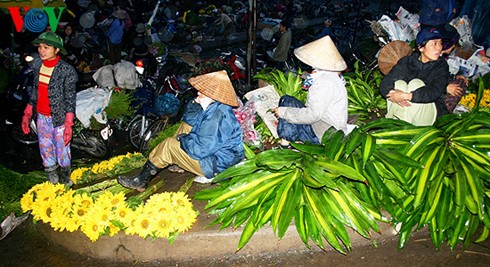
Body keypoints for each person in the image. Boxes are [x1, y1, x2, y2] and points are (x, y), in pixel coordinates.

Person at [118, 70, 245, 191]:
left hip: (217, 166)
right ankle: (176, 160)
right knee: (186, 126)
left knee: (168, 145)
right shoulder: (214, 107)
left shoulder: (216, 117)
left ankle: (141, 180)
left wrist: (183, 139)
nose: (198, 93)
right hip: (216, 157)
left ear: (212, 95)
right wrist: (196, 103)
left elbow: (200, 150)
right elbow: (189, 119)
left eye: (202, 92)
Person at [271, 35, 352, 146]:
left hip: (324, 135)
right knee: (290, 104)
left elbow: (313, 115)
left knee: (287, 102)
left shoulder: (323, 83)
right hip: (331, 127)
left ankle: (286, 143)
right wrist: (305, 76)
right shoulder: (331, 76)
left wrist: (283, 112)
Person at [21, 31, 78, 186]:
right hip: (41, 117)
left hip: (59, 119)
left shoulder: (67, 71)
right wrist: (27, 114)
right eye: (40, 47)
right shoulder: (38, 66)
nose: (41, 50)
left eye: (46, 47)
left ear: (57, 50)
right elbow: (34, 91)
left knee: (62, 152)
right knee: (45, 151)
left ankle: (66, 183)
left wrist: (68, 124)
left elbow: (70, 98)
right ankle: (53, 183)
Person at [379, 27, 450, 126]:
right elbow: (387, 81)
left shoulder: (441, 66)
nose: (439, 48)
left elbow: (435, 91)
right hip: (406, 111)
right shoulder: (407, 62)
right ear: (421, 47)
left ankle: (397, 127)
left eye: (440, 43)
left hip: (429, 115)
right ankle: (403, 127)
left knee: (416, 84)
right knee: (398, 84)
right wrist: (393, 94)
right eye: (434, 43)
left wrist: (407, 96)